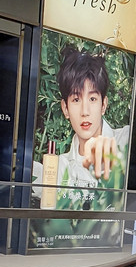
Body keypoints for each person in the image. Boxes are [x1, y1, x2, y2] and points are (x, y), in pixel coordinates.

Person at [32, 45, 130, 193]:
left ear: (103, 105)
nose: (85, 112)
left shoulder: (126, 141)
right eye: (76, 100)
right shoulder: (59, 169)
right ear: (65, 108)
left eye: (92, 99)